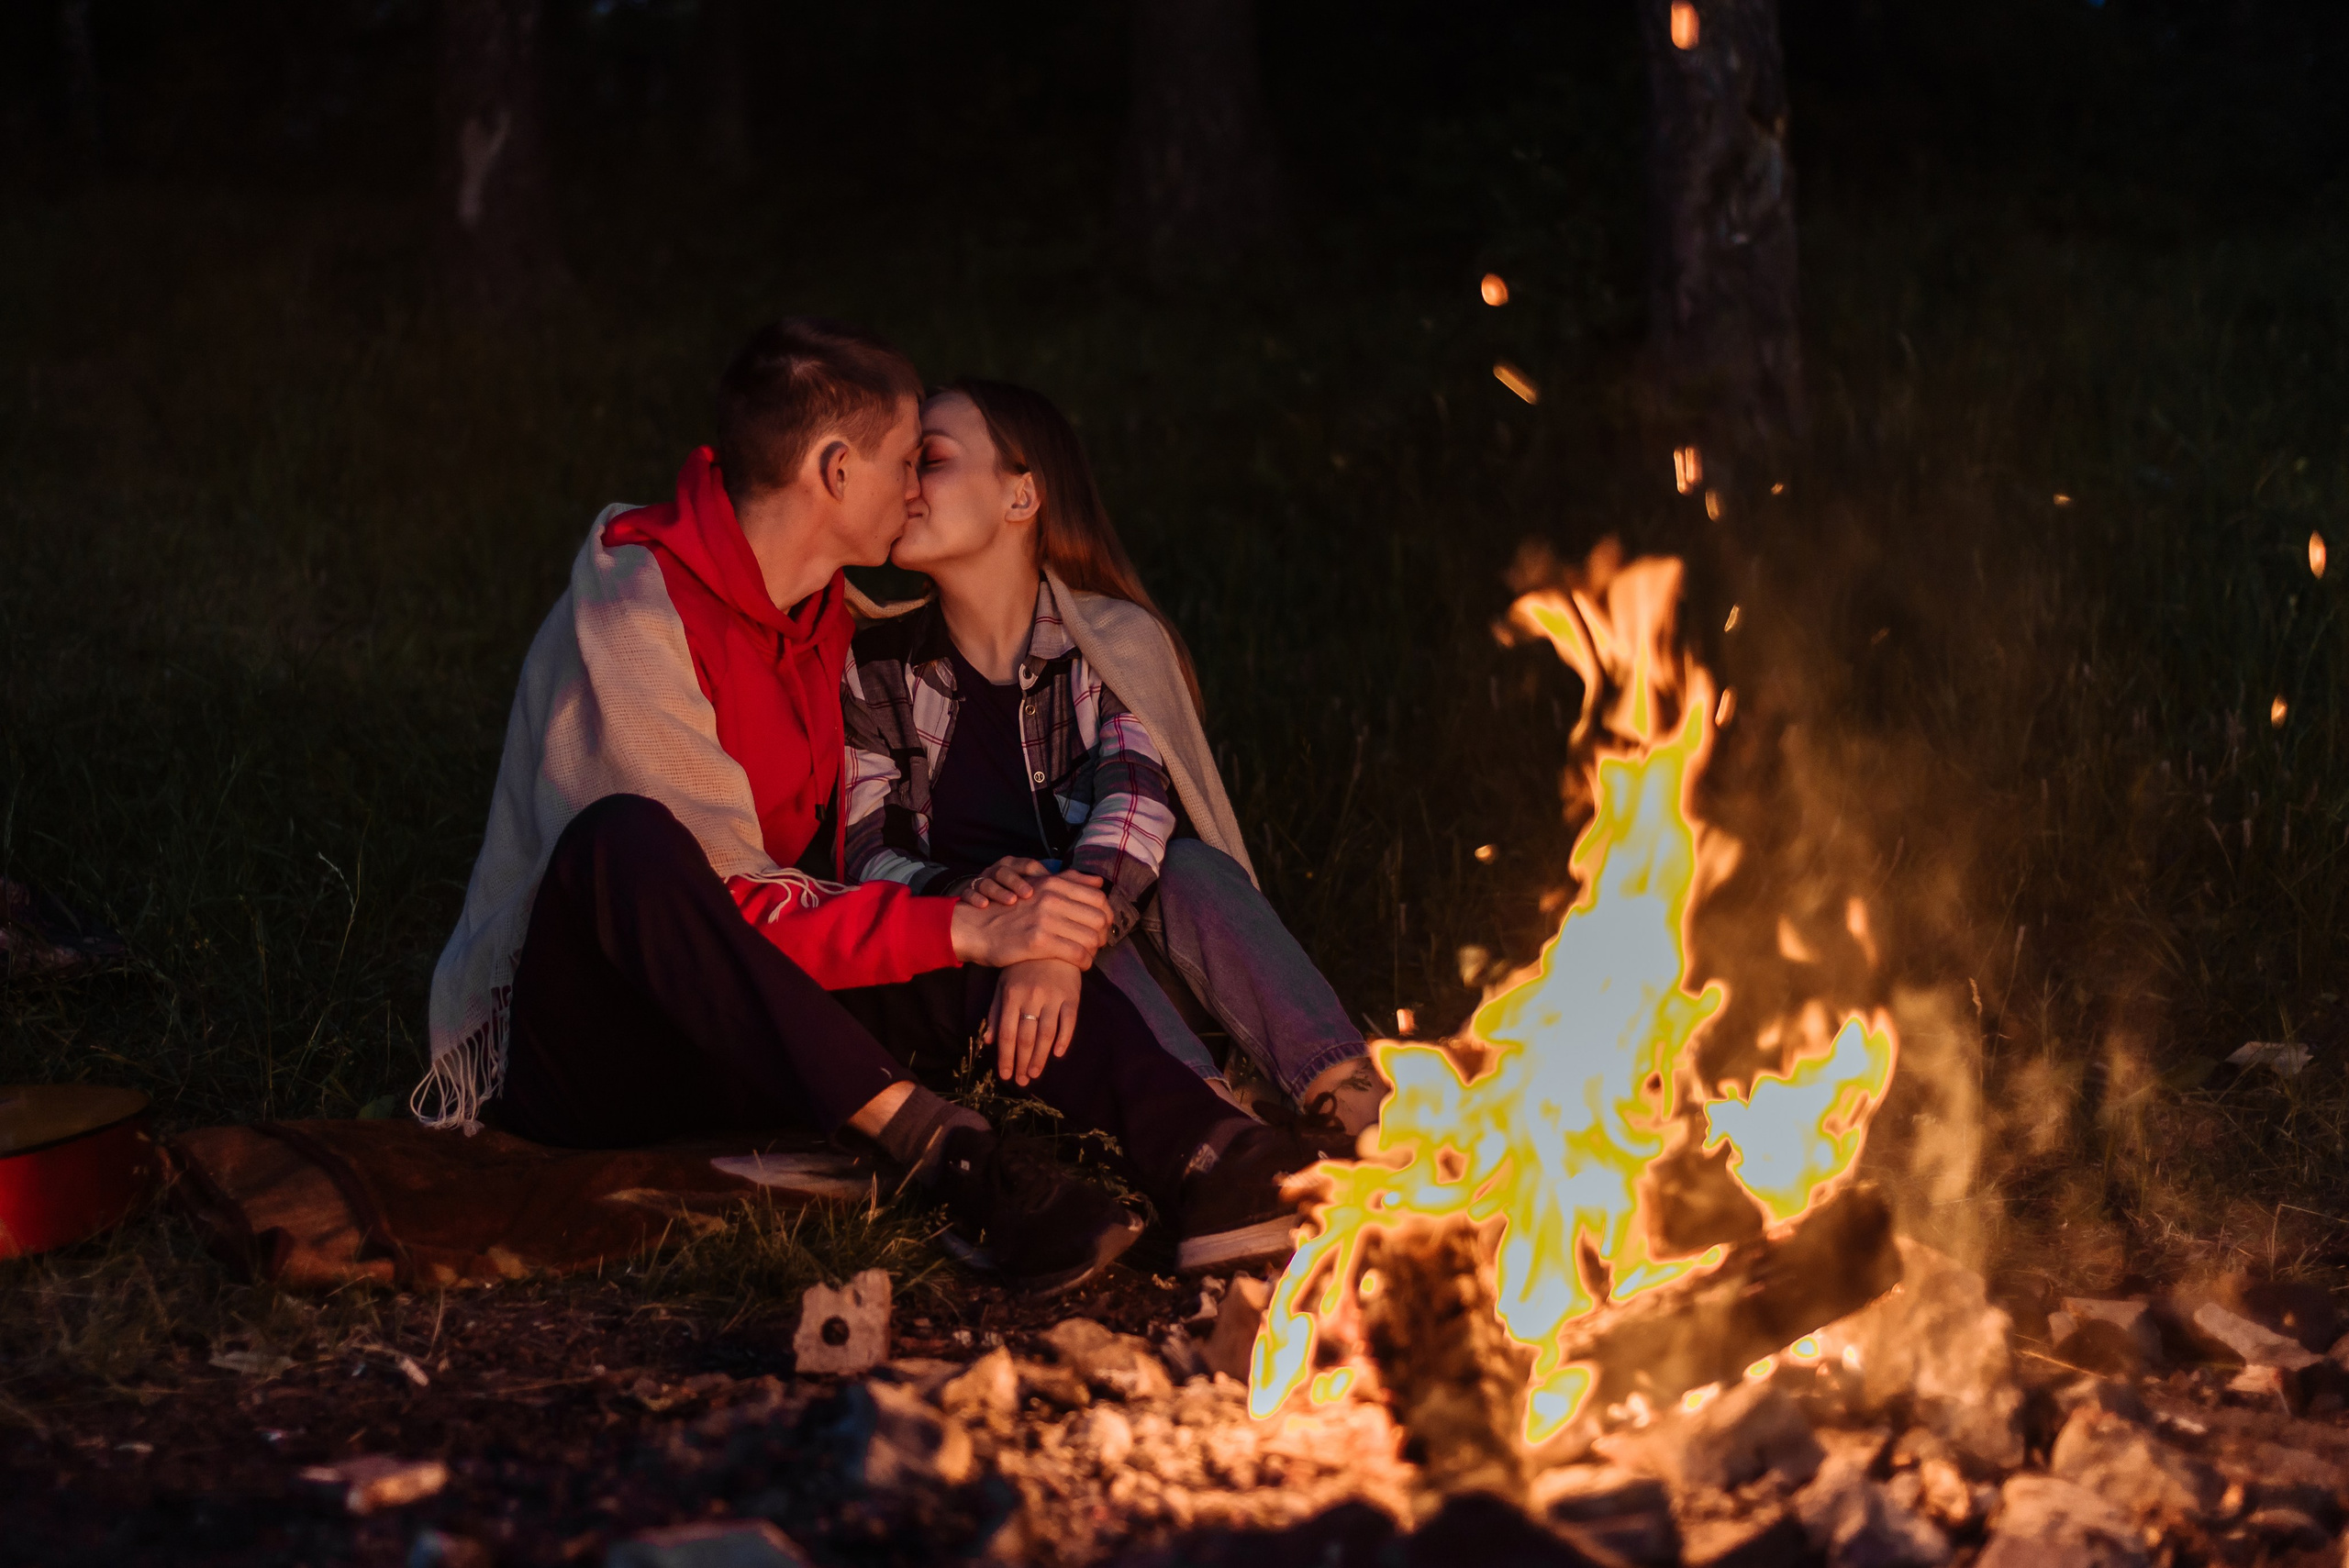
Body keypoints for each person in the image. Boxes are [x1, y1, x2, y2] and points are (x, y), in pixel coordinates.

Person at [420, 318, 1303, 1292]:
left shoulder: (826, 618)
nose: (913, 488)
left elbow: (871, 869)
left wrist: (992, 920)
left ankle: (1216, 1157)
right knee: (625, 841)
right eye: (903, 460)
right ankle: (949, 1153)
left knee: (987, 927)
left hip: (775, 1032)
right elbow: (724, 901)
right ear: (837, 472)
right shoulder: (637, 614)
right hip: (608, 1046)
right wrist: (960, 925)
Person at [838, 379, 1386, 1187]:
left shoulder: (1110, 642)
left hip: (1140, 952)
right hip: (1012, 1007)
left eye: (935, 460)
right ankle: (1212, 1138)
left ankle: (1351, 1097)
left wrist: (1054, 930)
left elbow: (1138, 802)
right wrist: (985, 905)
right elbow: (866, 853)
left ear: (1022, 494)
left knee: (1187, 866)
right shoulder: (875, 666)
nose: (907, 482)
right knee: (1067, 906)